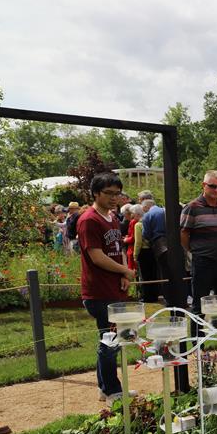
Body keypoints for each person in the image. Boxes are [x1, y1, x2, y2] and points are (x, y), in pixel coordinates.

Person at [78, 173, 137, 406]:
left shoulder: (112, 217)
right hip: (99, 291)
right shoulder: (89, 220)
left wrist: (123, 274)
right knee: (110, 342)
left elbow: (117, 248)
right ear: (95, 193)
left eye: (117, 193)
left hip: (114, 288)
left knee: (109, 340)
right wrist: (125, 270)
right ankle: (113, 391)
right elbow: (97, 256)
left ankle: (105, 388)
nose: (114, 198)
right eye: (109, 193)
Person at [180, 171, 217, 317]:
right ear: (204, 185)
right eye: (212, 186)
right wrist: (192, 250)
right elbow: (183, 233)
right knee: (199, 306)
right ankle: (199, 332)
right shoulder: (192, 207)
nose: (216, 190)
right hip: (203, 262)